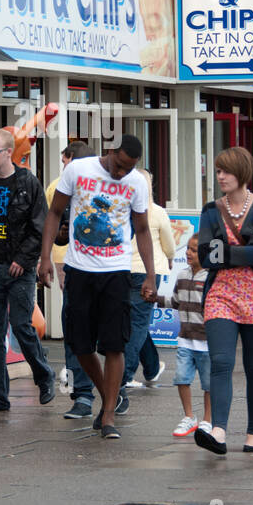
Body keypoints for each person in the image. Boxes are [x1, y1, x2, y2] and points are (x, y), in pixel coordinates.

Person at [38, 134, 156, 440]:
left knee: (115, 345)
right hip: (79, 269)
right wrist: (46, 258)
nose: (120, 174)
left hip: (116, 271)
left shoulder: (137, 183)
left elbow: (142, 229)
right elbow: (53, 213)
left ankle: (107, 416)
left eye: (128, 169)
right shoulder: (78, 170)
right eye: (118, 165)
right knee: (80, 345)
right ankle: (108, 396)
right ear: (110, 150)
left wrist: (151, 275)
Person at [195, 146, 253, 455]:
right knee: (220, 362)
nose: (220, 176)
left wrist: (225, 251)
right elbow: (206, 257)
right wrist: (246, 246)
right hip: (220, 294)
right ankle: (218, 431)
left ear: (241, 173)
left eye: (226, 171)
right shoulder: (210, 210)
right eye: (217, 171)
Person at [0, 128, 55, 412]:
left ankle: (44, 374)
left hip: (20, 270)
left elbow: (38, 226)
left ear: (8, 153)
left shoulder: (27, 182)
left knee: (21, 325)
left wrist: (24, 259)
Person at [46, 141, 99, 420]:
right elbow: (57, 228)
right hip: (77, 270)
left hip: (109, 274)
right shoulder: (64, 192)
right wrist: (50, 253)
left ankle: (114, 393)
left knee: (110, 340)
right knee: (75, 334)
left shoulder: (109, 191)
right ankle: (83, 395)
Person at [123, 168, 174, 391]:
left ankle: (152, 368)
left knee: (134, 322)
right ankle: (125, 375)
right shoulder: (157, 211)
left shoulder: (123, 209)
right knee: (139, 323)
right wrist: (171, 258)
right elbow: (169, 244)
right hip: (150, 272)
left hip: (124, 270)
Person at [157, 241, 212, 438]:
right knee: (181, 378)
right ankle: (189, 417)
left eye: (194, 250)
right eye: (188, 248)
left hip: (206, 342)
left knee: (209, 384)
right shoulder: (181, 276)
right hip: (185, 339)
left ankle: (207, 419)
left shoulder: (210, 279)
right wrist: (156, 298)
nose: (188, 253)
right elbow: (175, 302)